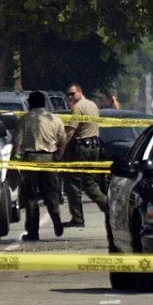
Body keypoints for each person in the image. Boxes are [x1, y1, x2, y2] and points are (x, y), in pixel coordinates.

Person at [14, 91, 65, 241]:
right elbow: (62, 140)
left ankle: (33, 231)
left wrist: (13, 159)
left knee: (30, 196)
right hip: (49, 158)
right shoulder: (55, 119)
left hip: (30, 159)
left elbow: (17, 143)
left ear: (30, 103)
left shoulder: (24, 119)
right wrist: (57, 157)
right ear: (44, 103)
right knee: (51, 192)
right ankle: (55, 215)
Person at [62, 83, 109, 227]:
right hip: (94, 146)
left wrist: (61, 148)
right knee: (89, 182)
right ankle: (108, 207)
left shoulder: (78, 108)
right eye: (69, 94)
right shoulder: (93, 105)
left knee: (73, 183)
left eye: (73, 93)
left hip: (81, 148)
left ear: (80, 92)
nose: (70, 97)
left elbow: (71, 131)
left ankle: (77, 218)